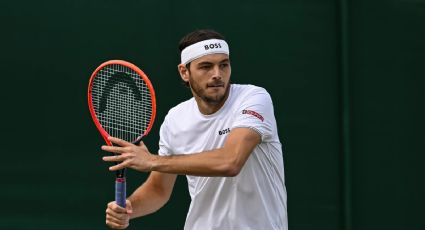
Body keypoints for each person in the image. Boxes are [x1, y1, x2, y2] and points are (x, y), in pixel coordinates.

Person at [101, 29, 288, 230]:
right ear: (184, 72)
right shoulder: (176, 119)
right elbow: (158, 189)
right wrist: (129, 208)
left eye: (223, 65)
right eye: (206, 66)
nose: (217, 74)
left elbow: (231, 161)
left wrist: (153, 161)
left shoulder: (254, 99)